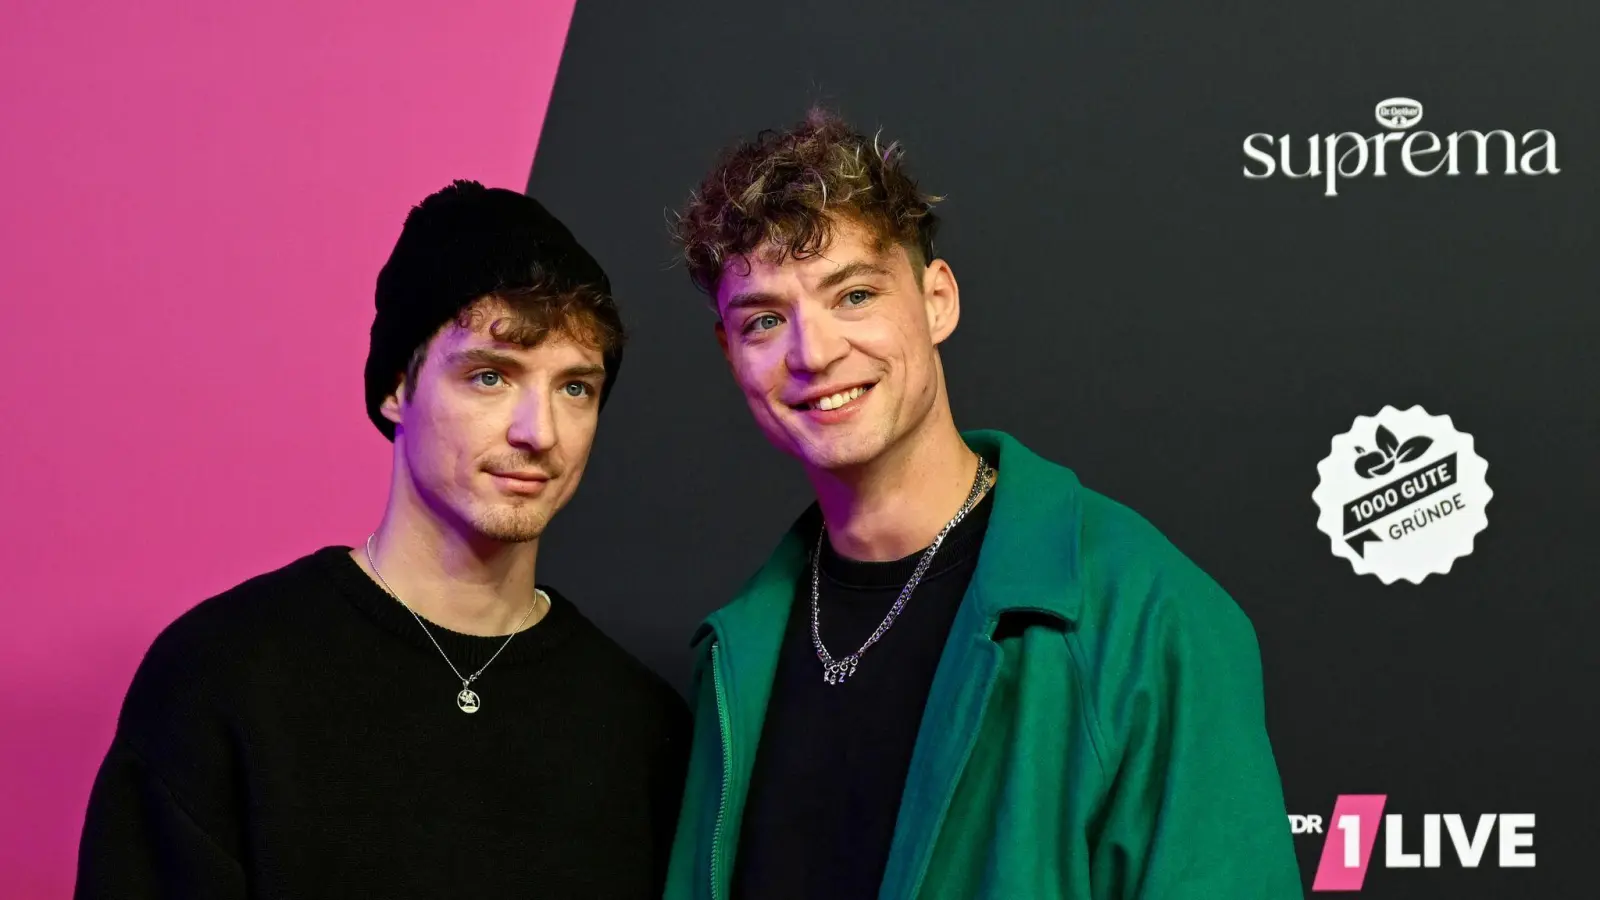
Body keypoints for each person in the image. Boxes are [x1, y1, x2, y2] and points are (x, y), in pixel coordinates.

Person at [661, 111, 1302, 899]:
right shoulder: (737, 649)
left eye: (855, 295)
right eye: (764, 320)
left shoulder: (1145, 614)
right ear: (731, 353)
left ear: (937, 301)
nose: (814, 352)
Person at [76, 181, 690, 899]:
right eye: (491, 376)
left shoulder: (642, 728)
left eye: (575, 388)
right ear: (398, 387)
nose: (539, 431)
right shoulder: (223, 676)